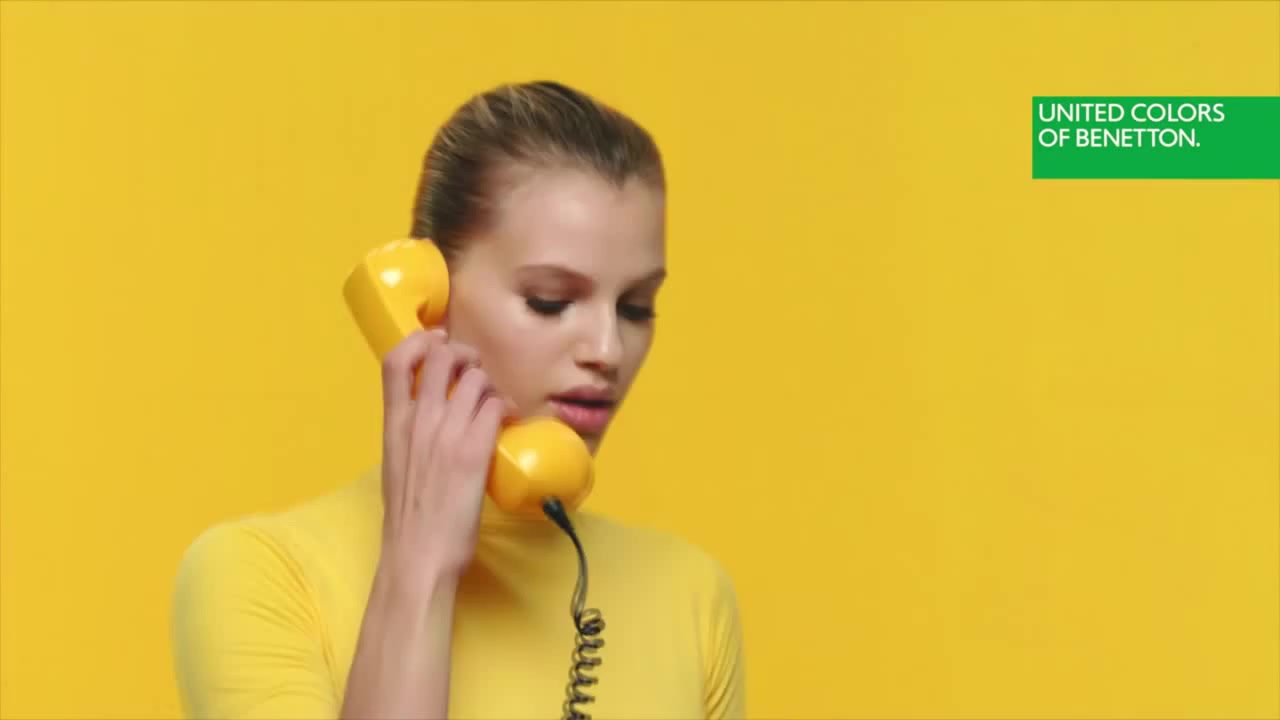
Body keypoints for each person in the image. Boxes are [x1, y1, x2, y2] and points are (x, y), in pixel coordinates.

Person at [170, 80, 747, 720]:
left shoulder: (692, 596)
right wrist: (420, 568)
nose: (608, 350)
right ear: (429, 305)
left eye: (636, 308)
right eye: (550, 302)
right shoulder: (258, 577)